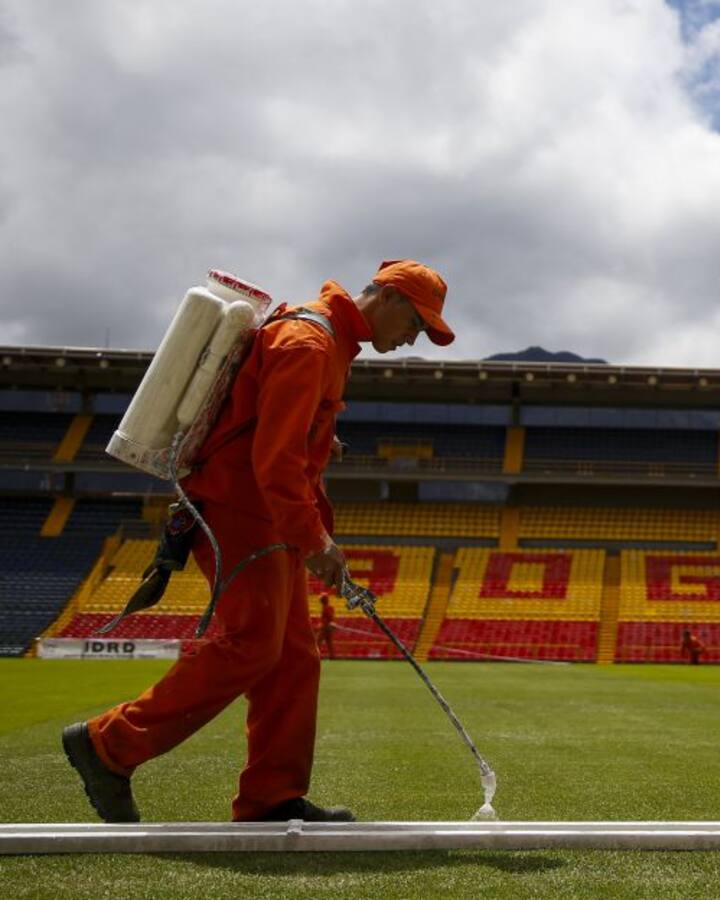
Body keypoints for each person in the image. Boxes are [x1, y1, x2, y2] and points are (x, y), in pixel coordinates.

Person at [62, 260, 453, 824]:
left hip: (262, 514)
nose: (414, 339)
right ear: (389, 299)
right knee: (252, 644)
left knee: (294, 660)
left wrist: (322, 439)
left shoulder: (328, 341)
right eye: (417, 325)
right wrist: (314, 539)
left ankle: (271, 797)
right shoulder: (310, 344)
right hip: (244, 512)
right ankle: (109, 745)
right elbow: (274, 462)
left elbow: (272, 427)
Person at [316, 593, 336, 660]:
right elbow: (331, 618)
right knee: (329, 643)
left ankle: (317, 656)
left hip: (325, 628)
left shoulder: (326, 608)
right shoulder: (329, 607)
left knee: (318, 642)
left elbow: (329, 618)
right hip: (328, 627)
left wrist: (322, 625)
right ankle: (332, 657)